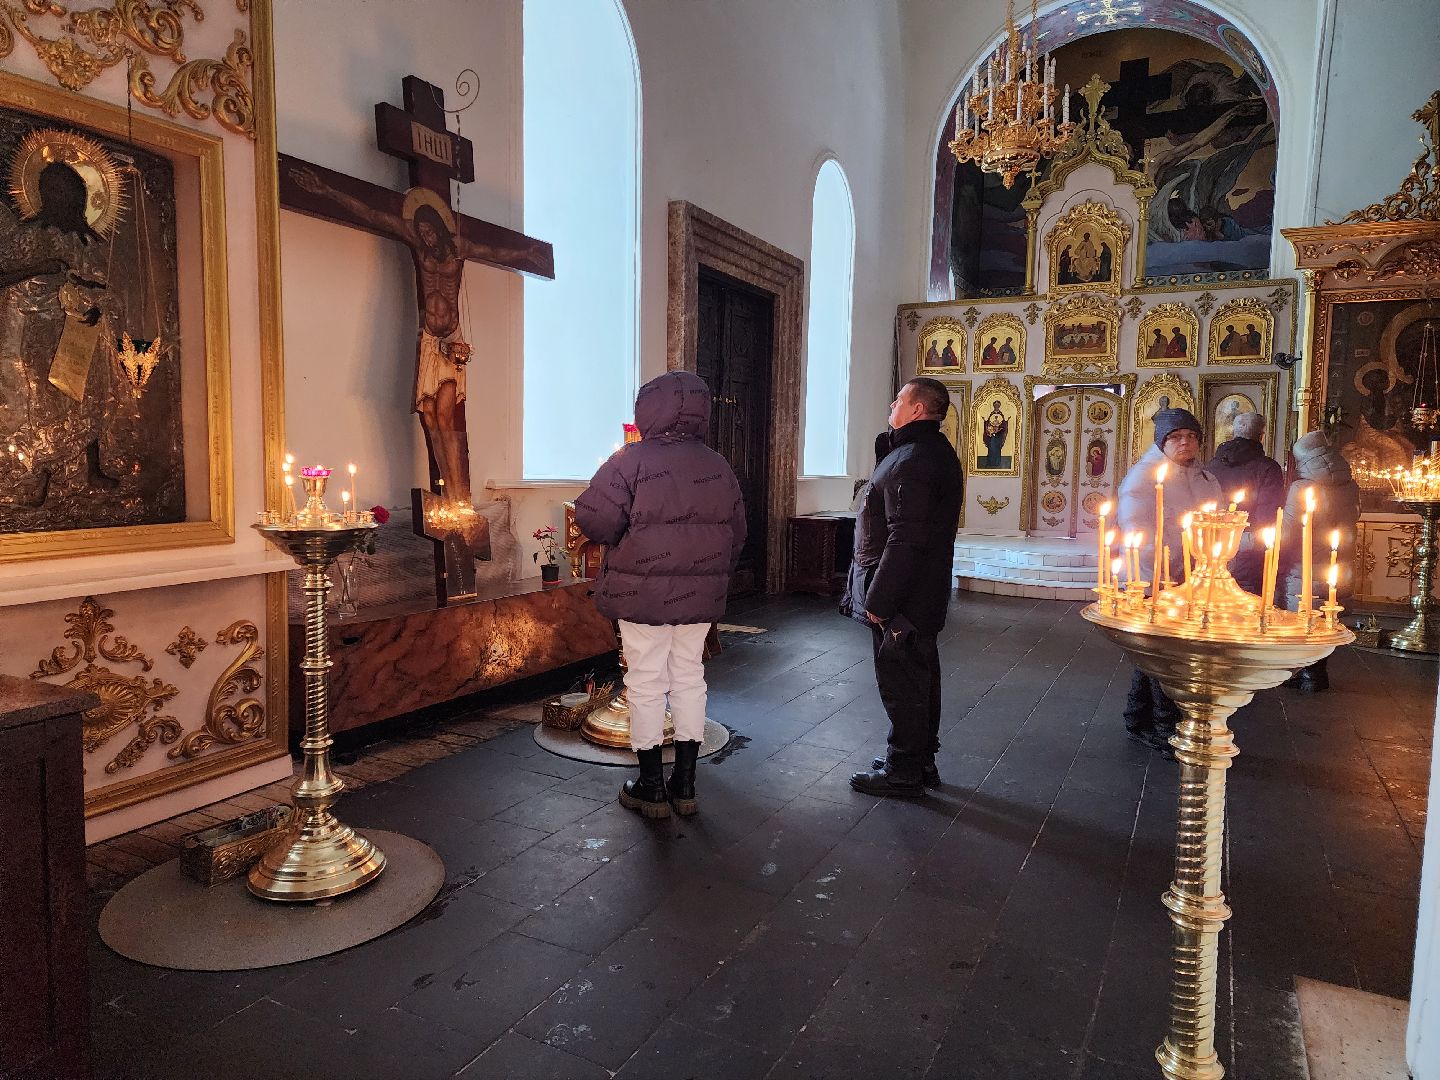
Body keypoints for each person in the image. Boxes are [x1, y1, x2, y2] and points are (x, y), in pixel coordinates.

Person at [574, 370, 746, 818]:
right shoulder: (718, 465)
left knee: (645, 682)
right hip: (698, 600)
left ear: (649, 408)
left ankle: (651, 787)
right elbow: (737, 533)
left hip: (641, 595)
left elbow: (594, 522)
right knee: (690, 676)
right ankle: (685, 785)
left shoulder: (630, 462)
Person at [843, 377, 963, 797]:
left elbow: (906, 536)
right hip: (919, 592)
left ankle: (904, 771)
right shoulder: (925, 451)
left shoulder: (913, 458)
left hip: (903, 597)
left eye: (898, 399)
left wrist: (878, 600)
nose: (891, 404)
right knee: (918, 677)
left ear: (916, 410)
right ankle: (918, 758)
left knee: (903, 683)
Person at [1116, 408, 1222, 757]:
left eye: (1191, 436)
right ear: (1162, 441)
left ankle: (1137, 719)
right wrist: (1164, 571)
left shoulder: (1204, 476)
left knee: (1153, 657)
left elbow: (1215, 522)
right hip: (1152, 579)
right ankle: (1164, 732)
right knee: (1164, 657)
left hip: (1190, 577)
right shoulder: (1144, 477)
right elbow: (1137, 531)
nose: (1185, 442)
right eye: (1176, 437)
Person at [1278, 431, 1361, 692]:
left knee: (1304, 617)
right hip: (1339, 562)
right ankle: (1318, 672)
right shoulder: (1350, 484)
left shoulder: (1303, 487)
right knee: (1327, 617)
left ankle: (1307, 674)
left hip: (1306, 564)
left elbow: (1290, 530)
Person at [1205, 411, 1284, 593]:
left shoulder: (1212, 465)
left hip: (1213, 550)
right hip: (1250, 556)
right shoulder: (1268, 468)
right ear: (1261, 436)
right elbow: (1268, 517)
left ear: (1233, 434)